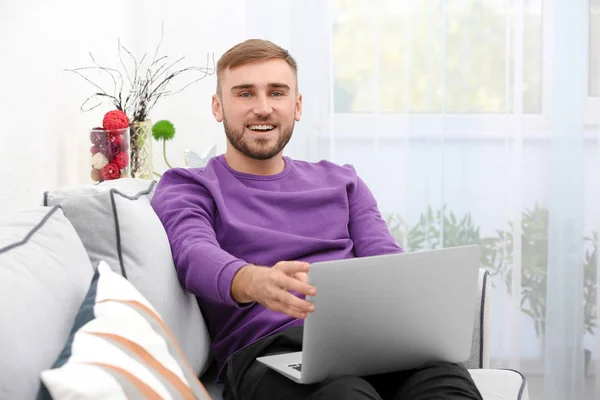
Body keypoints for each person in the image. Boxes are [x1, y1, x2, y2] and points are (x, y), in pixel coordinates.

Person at [151, 39, 483, 400]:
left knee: (447, 384)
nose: (263, 108)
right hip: (270, 351)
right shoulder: (189, 185)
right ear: (218, 107)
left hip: (371, 340)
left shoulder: (343, 181)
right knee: (344, 394)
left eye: (276, 93)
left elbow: (383, 257)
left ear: (297, 106)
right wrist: (251, 279)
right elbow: (192, 251)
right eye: (245, 94)